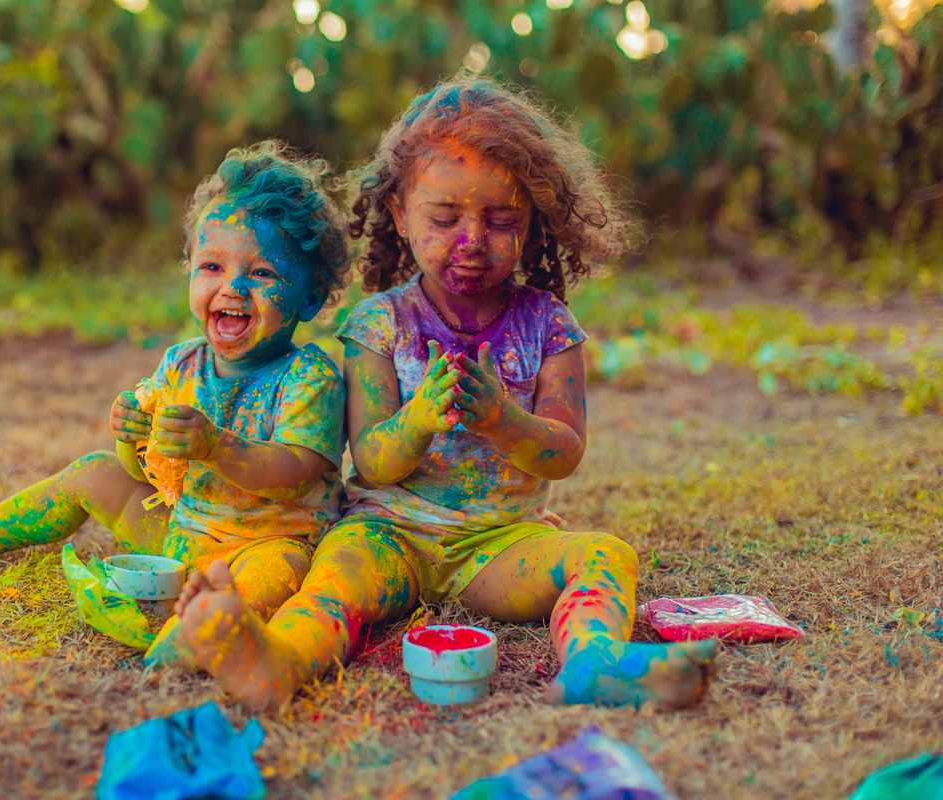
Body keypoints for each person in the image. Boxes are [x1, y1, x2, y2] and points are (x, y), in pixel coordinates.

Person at [172, 77, 719, 710]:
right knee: (334, 582)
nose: (471, 240)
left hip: (498, 545)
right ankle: (278, 663)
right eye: (445, 217)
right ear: (401, 215)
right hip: (386, 533)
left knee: (605, 554)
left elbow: (565, 453)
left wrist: (501, 420)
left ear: (533, 220)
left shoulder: (548, 326)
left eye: (501, 219)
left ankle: (595, 662)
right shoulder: (379, 324)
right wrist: (420, 419)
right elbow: (371, 460)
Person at [0, 141, 351, 665]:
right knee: (94, 472)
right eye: (212, 266)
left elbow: (298, 471)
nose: (232, 287)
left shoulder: (310, 375)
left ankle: (191, 634)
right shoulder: (182, 363)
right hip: (182, 535)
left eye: (262, 274)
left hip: (269, 542)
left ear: (310, 296)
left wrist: (217, 446)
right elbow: (151, 475)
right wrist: (131, 439)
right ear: (191, 269)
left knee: (272, 572)